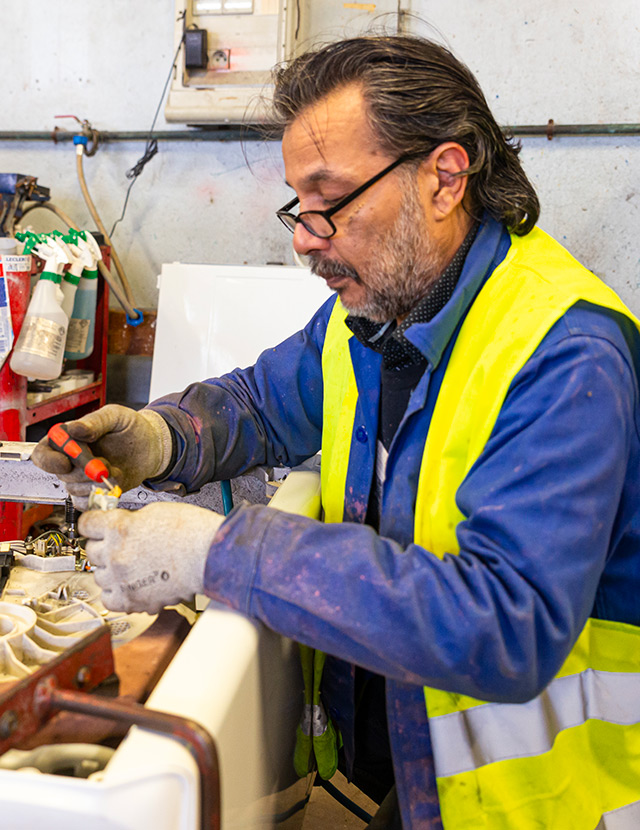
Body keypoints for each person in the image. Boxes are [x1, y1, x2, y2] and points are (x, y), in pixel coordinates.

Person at [32, 34, 640, 830]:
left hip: (543, 807)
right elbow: (261, 402)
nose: (304, 237)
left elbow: (503, 625)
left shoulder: (565, 355)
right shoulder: (375, 314)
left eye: (331, 200)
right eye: (298, 204)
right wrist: (159, 436)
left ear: (446, 178)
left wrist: (215, 553)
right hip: (425, 785)